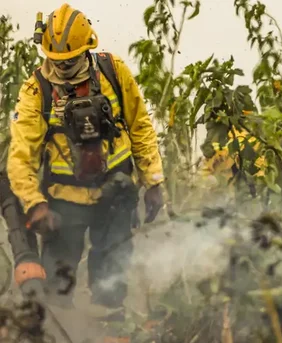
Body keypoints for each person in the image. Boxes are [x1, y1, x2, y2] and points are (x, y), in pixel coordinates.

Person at [8, 4, 165, 320]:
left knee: (112, 281)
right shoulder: (37, 89)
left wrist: (153, 182)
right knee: (57, 287)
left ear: (87, 49)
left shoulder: (113, 71)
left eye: (69, 60)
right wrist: (35, 204)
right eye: (57, 60)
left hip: (116, 195)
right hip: (65, 203)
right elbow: (21, 156)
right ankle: (62, 339)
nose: (63, 67)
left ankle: (113, 336)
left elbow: (140, 126)